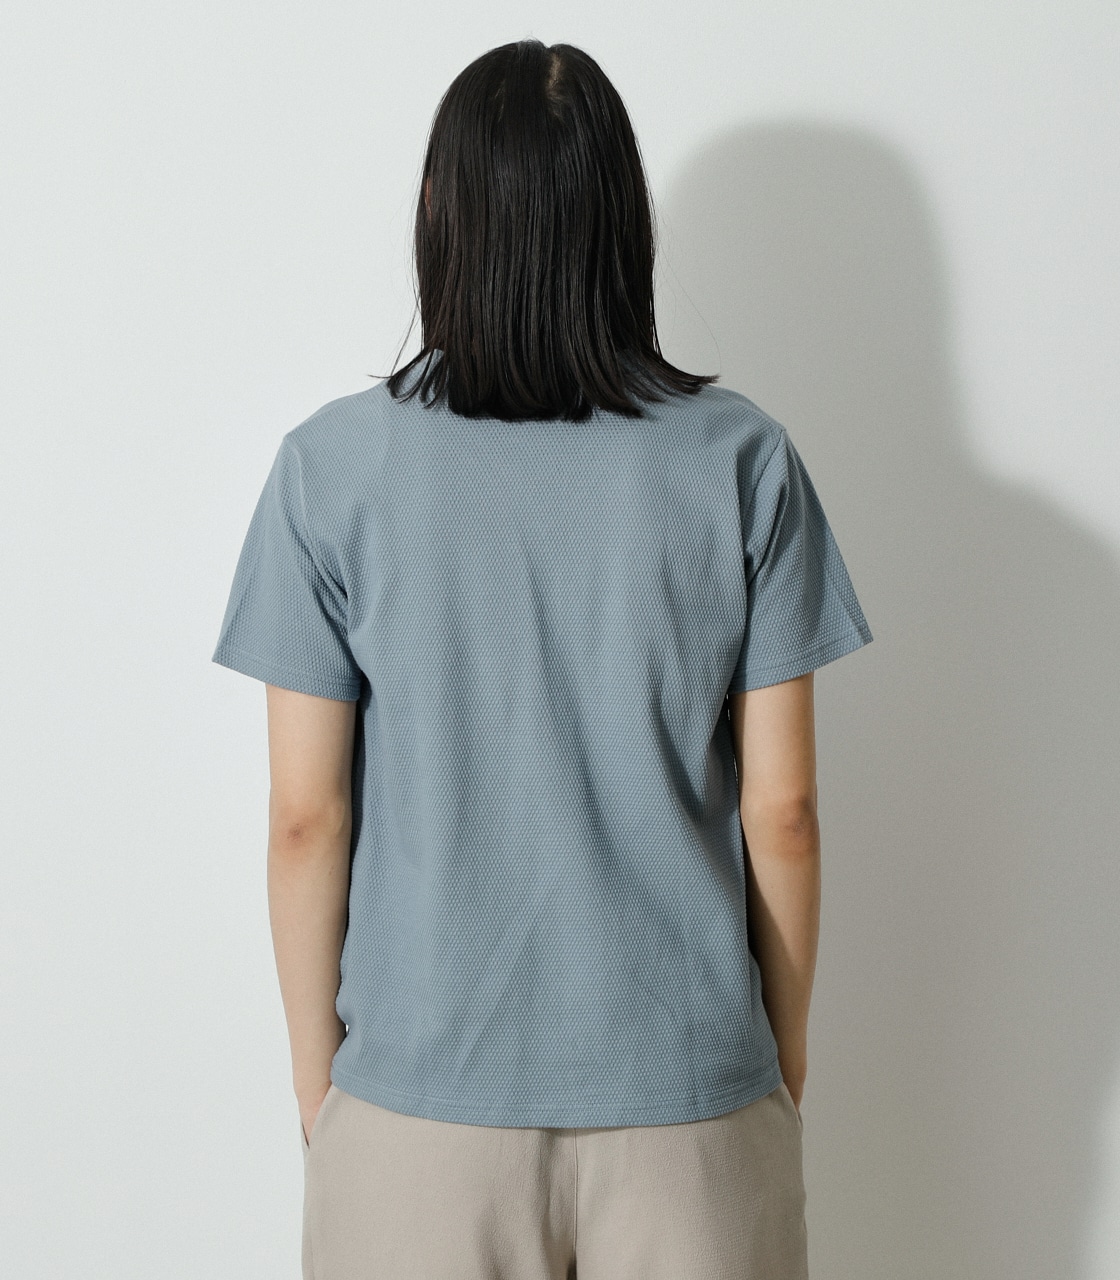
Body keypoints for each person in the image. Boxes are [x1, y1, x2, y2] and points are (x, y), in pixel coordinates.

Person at [211, 37, 873, 1280]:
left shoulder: (329, 469)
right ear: (625, 223)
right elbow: (784, 810)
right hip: (689, 1097)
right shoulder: (744, 461)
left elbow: (307, 817)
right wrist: (778, 1062)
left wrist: (321, 1087)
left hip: (415, 1104)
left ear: (437, 211)